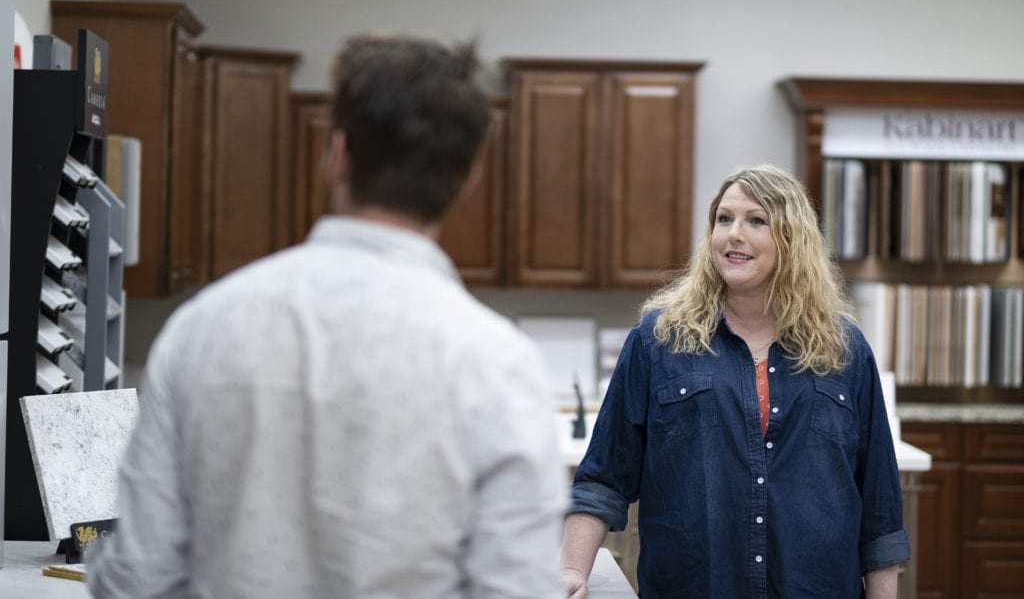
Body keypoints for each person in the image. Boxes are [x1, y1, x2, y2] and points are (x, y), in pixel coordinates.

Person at [87, 34, 567, 598]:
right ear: (469, 179)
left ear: (336, 154)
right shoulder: (501, 367)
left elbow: (136, 578)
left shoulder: (204, 329)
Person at [561, 164, 909, 598]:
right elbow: (603, 478)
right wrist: (573, 571)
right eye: (723, 219)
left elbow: (879, 509)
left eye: (756, 220)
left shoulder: (845, 351)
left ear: (792, 239)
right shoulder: (659, 341)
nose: (733, 234)